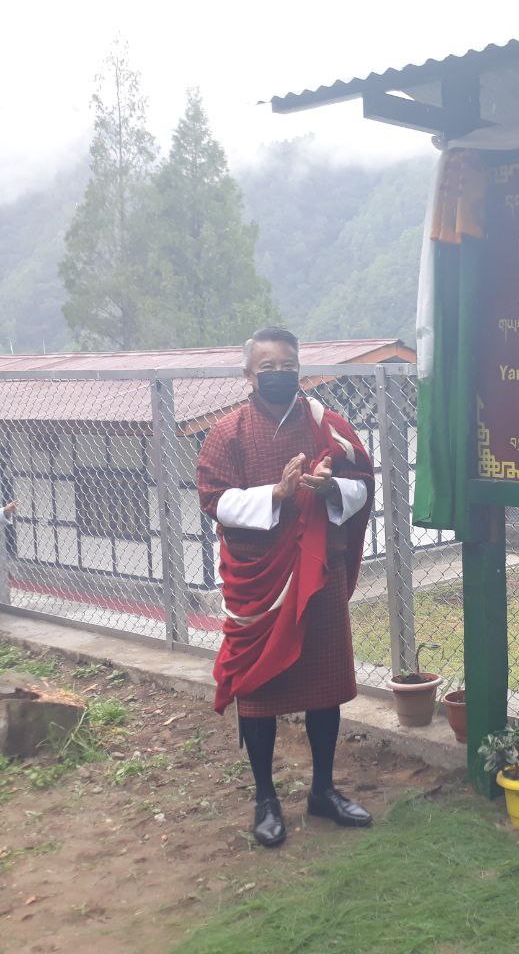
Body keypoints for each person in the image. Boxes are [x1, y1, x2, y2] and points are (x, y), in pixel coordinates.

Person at [197, 327, 375, 848]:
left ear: (300, 368)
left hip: (318, 573)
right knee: (259, 691)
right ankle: (265, 799)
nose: (280, 373)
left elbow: (363, 484)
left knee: (324, 685)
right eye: (268, 366)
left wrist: (331, 487)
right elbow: (214, 498)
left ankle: (322, 791)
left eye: (288, 364)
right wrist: (274, 494)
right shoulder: (226, 432)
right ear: (249, 375)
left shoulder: (327, 426)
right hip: (260, 582)